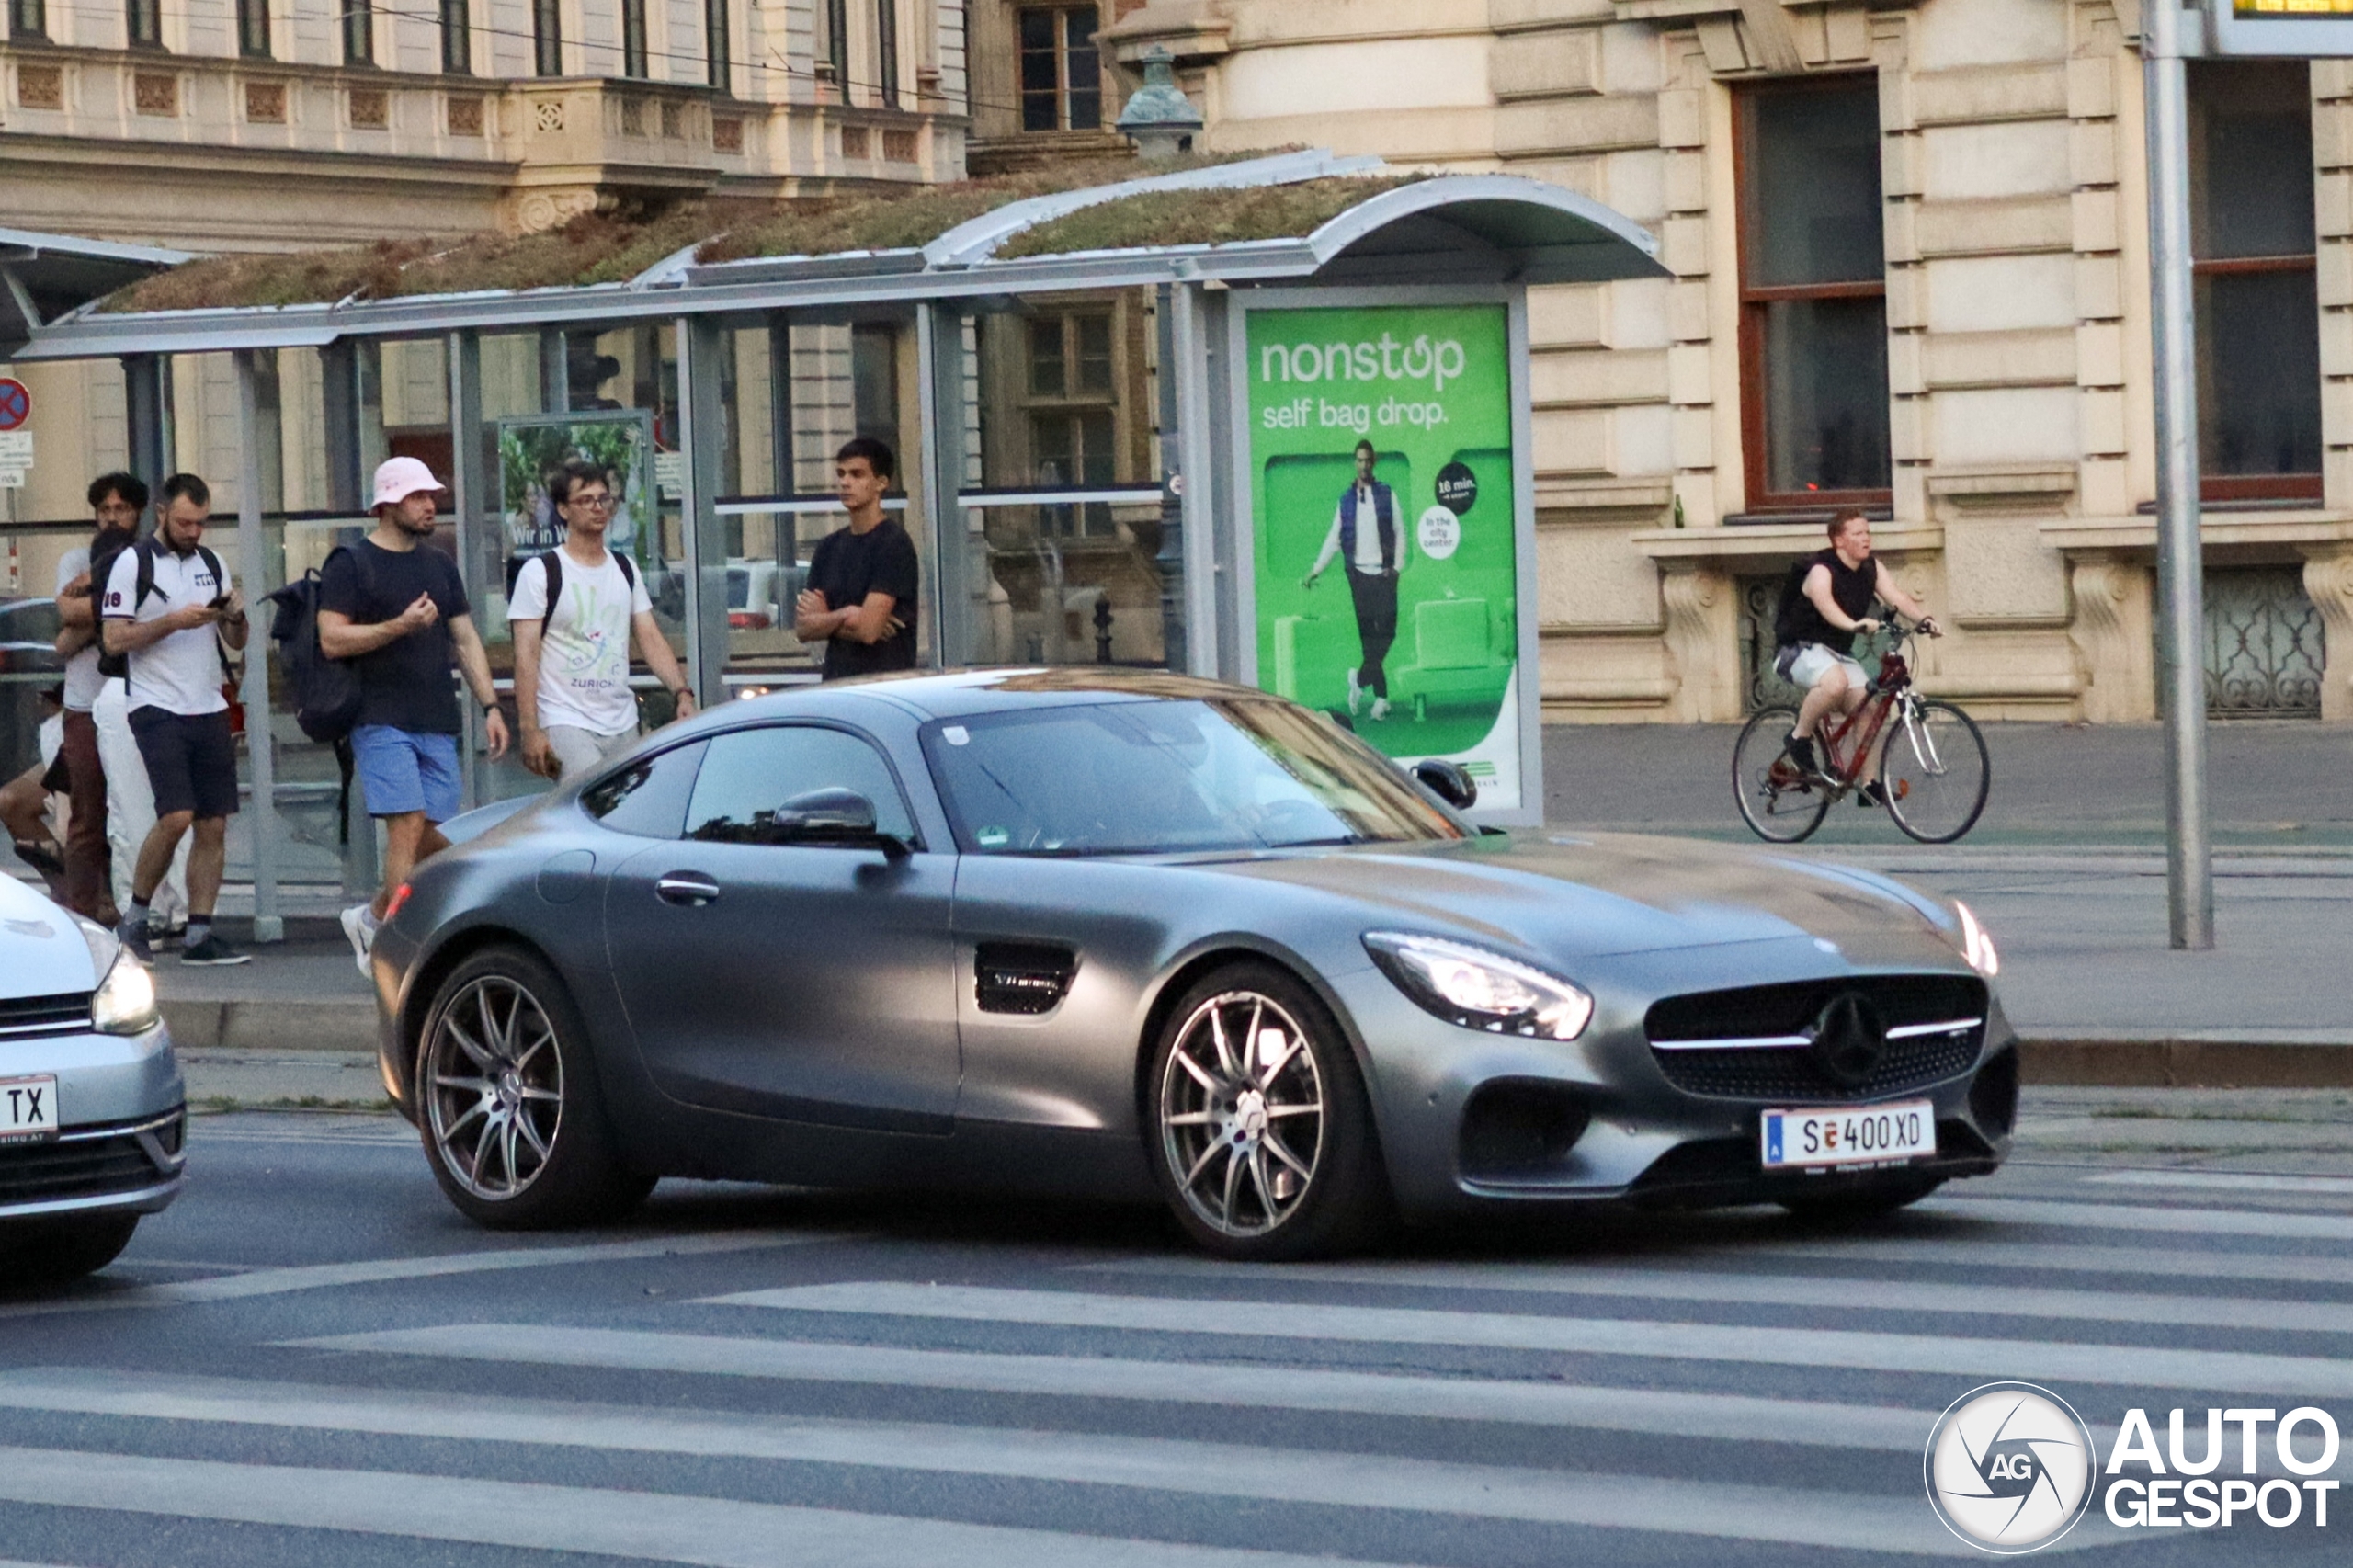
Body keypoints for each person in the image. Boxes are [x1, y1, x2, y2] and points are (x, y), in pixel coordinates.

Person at [324, 457, 509, 972]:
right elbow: (332, 637)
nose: (430, 505)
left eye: (431, 496)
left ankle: (374, 915)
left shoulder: (439, 564)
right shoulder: (351, 563)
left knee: (436, 839)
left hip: (436, 718)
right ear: (387, 504)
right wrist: (398, 627)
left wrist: (491, 706)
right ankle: (395, 948)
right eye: (417, 497)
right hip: (378, 716)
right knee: (406, 825)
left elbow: (465, 637)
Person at [99, 472, 249, 965]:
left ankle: (199, 932)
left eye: (201, 523)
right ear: (162, 513)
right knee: (176, 814)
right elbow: (114, 639)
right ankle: (136, 917)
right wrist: (171, 622)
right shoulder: (133, 562)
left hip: (207, 702)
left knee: (213, 823)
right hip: (155, 702)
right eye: (185, 522)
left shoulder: (211, 561)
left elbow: (237, 641)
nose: (193, 532)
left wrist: (234, 615)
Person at [510, 458, 697, 784]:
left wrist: (681, 691)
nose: (598, 508)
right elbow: (525, 656)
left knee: (625, 816)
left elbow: (650, 638)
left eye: (603, 499)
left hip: (621, 718)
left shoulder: (625, 569)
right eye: (585, 500)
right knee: (588, 807)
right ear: (564, 510)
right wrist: (530, 729)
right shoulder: (541, 572)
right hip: (565, 717)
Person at [1773, 510, 1938, 804]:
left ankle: (1869, 784)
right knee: (1835, 683)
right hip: (1797, 649)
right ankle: (1799, 738)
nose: (1866, 538)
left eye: (1867, 532)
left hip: (1835, 652)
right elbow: (1826, 606)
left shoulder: (1870, 568)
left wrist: (1923, 619)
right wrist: (1853, 625)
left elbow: (1897, 597)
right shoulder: (1821, 570)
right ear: (1839, 540)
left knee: (1869, 708)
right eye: (1857, 533)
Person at [50, 472, 153, 925]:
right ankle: (82, 912)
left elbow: (76, 624)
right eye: (105, 510)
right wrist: (116, 612)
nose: (113, 518)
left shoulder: (148, 556)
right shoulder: (76, 557)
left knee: (135, 810)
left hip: (140, 699)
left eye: (122, 509)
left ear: (138, 513)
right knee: (87, 814)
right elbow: (66, 614)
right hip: (84, 704)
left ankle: (138, 907)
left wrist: (91, 611)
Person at [793, 437, 916, 680]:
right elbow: (804, 629)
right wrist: (847, 614)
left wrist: (827, 620)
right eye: (841, 474)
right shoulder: (829, 547)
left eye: (857, 474)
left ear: (881, 483)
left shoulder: (893, 543)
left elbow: (869, 631)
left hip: (883, 687)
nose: (845, 482)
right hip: (836, 685)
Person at [1301, 439, 1403, 722]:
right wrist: (1316, 570)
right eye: (1359, 460)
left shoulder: (1386, 494)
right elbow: (1333, 539)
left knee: (1388, 632)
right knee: (1370, 642)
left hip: (1384, 574)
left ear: (1374, 462)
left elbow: (1399, 531)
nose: (1364, 465)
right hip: (1358, 576)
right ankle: (1381, 699)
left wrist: (1396, 567)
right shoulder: (1345, 501)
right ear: (1355, 463)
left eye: (1368, 460)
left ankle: (1358, 681)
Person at [3, 687, 72, 903]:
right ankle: (64, 893)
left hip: (95, 719)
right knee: (10, 802)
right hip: (63, 716)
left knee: (73, 821)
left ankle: (93, 895)